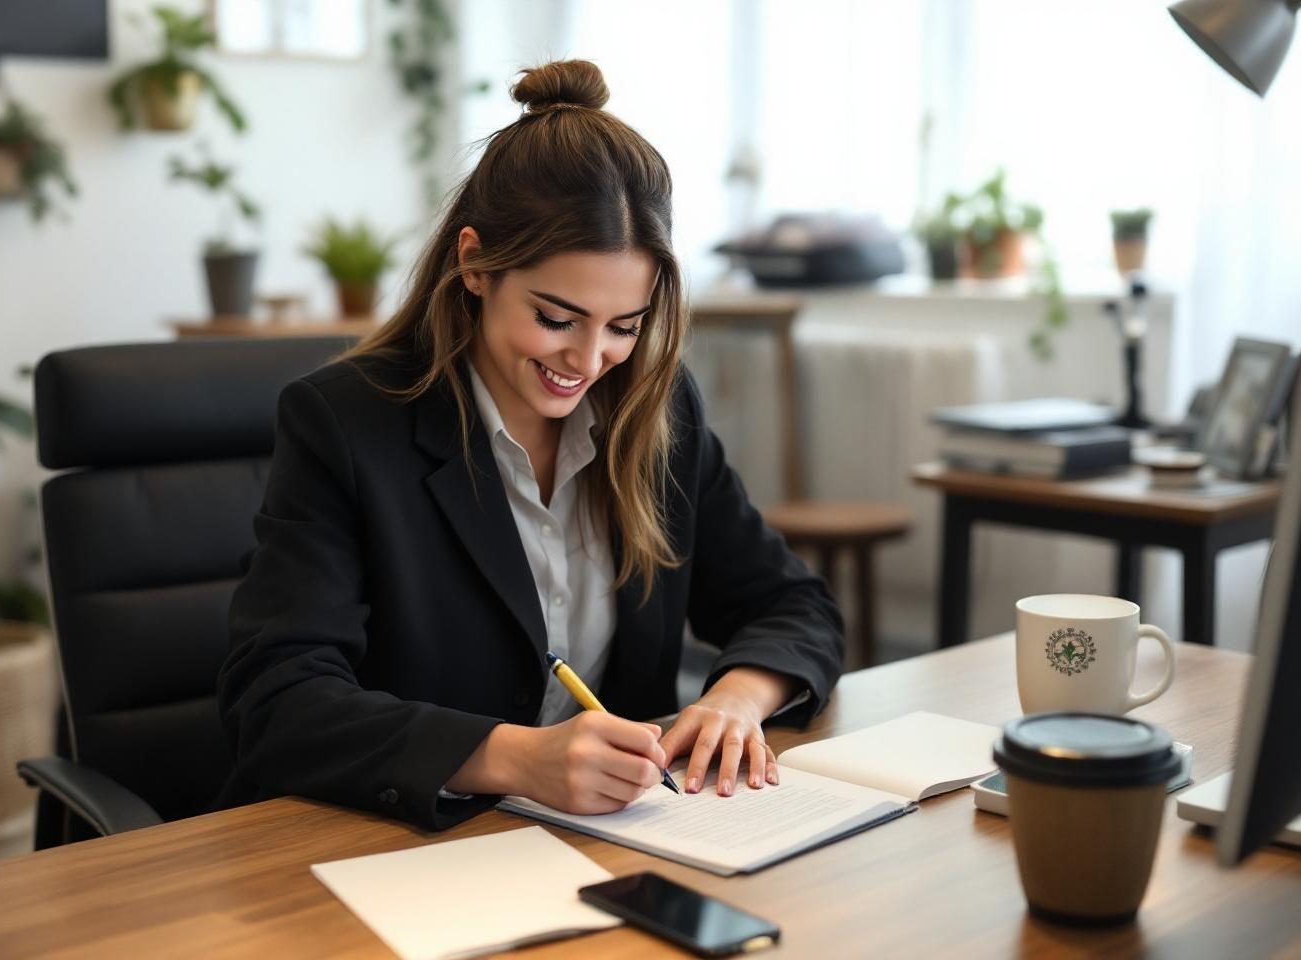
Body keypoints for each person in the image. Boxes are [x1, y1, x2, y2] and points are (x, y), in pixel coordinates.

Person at [216, 60, 843, 831]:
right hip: (397, 847)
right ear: (474, 264)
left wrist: (737, 700)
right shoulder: (346, 425)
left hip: (613, 843)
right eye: (556, 318)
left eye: (624, 326)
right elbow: (277, 700)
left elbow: (793, 603)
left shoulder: (654, 410)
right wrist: (515, 757)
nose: (589, 360)